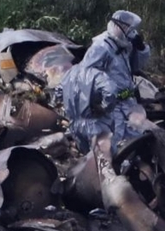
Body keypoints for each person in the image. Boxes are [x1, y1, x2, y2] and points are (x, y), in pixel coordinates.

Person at [78, 10, 151, 152]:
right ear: (118, 27)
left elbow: (135, 66)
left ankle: (131, 170)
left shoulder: (123, 46)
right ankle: (111, 171)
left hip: (128, 102)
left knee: (136, 140)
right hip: (111, 105)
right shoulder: (101, 47)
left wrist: (141, 49)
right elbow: (85, 74)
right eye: (129, 29)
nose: (132, 33)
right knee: (113, 142)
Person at [55, 63, 118, 154]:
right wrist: (104, 107)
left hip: (75, 126)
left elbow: (58, 93)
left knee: (88, 159)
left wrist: (70, 107)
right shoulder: (96, 74)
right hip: (95, 123)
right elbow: (110, 92)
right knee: (107, 158)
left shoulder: (68, 74)